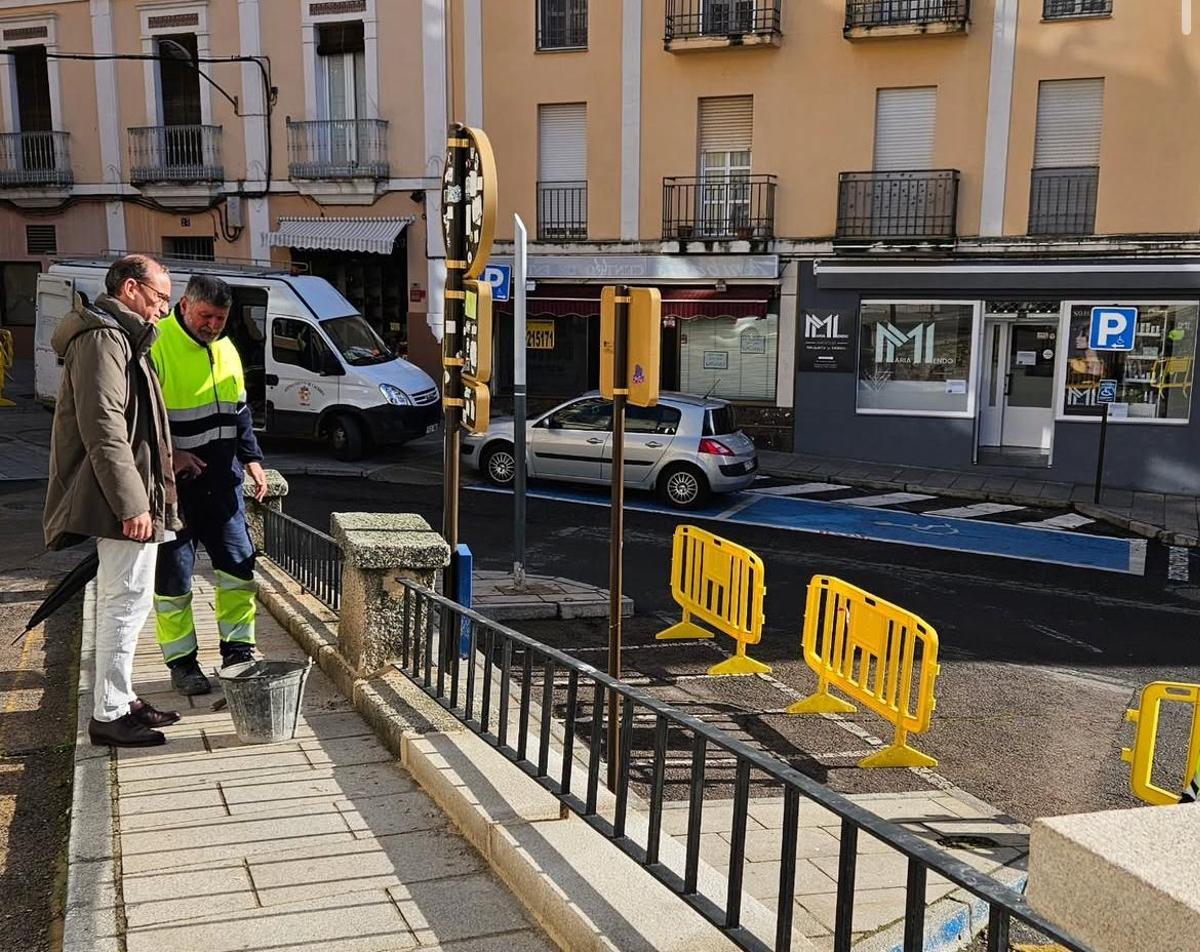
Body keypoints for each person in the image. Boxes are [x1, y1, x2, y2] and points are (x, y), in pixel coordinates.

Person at [43, 255, 182, 747]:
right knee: (124, 601)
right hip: (120, 498)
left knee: (132, 600)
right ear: (130, 289)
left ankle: (121, 699)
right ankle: (108, 712)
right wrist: (133, 504)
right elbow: (104, 430)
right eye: (160, 297)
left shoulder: (121, 337)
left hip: (134, 492)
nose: (165, 309)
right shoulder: (104, 338)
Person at [151, 274, 268, 695]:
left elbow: (241, 411)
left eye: (220, 318)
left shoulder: (225, 347)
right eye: (206, 316)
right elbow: (139, 423)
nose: (213, 325)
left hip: (223, 486)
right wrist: (172, 456)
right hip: (174, 493)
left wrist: (252, 460)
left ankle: (238, 652)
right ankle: (182, 664)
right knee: (175, 582)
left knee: (239, 571)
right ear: (184, 305)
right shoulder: (156, 345)